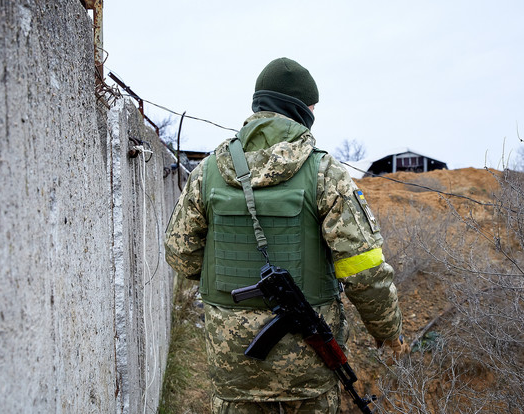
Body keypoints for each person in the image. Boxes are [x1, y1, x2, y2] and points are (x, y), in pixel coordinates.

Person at [164, 57, 407, 413]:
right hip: (308, 367)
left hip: (233, 366)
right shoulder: (325, 173)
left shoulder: (209, 171)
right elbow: (364, 270)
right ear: (301, 109)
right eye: (312, 106)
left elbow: (179, 254)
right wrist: (388, 330)